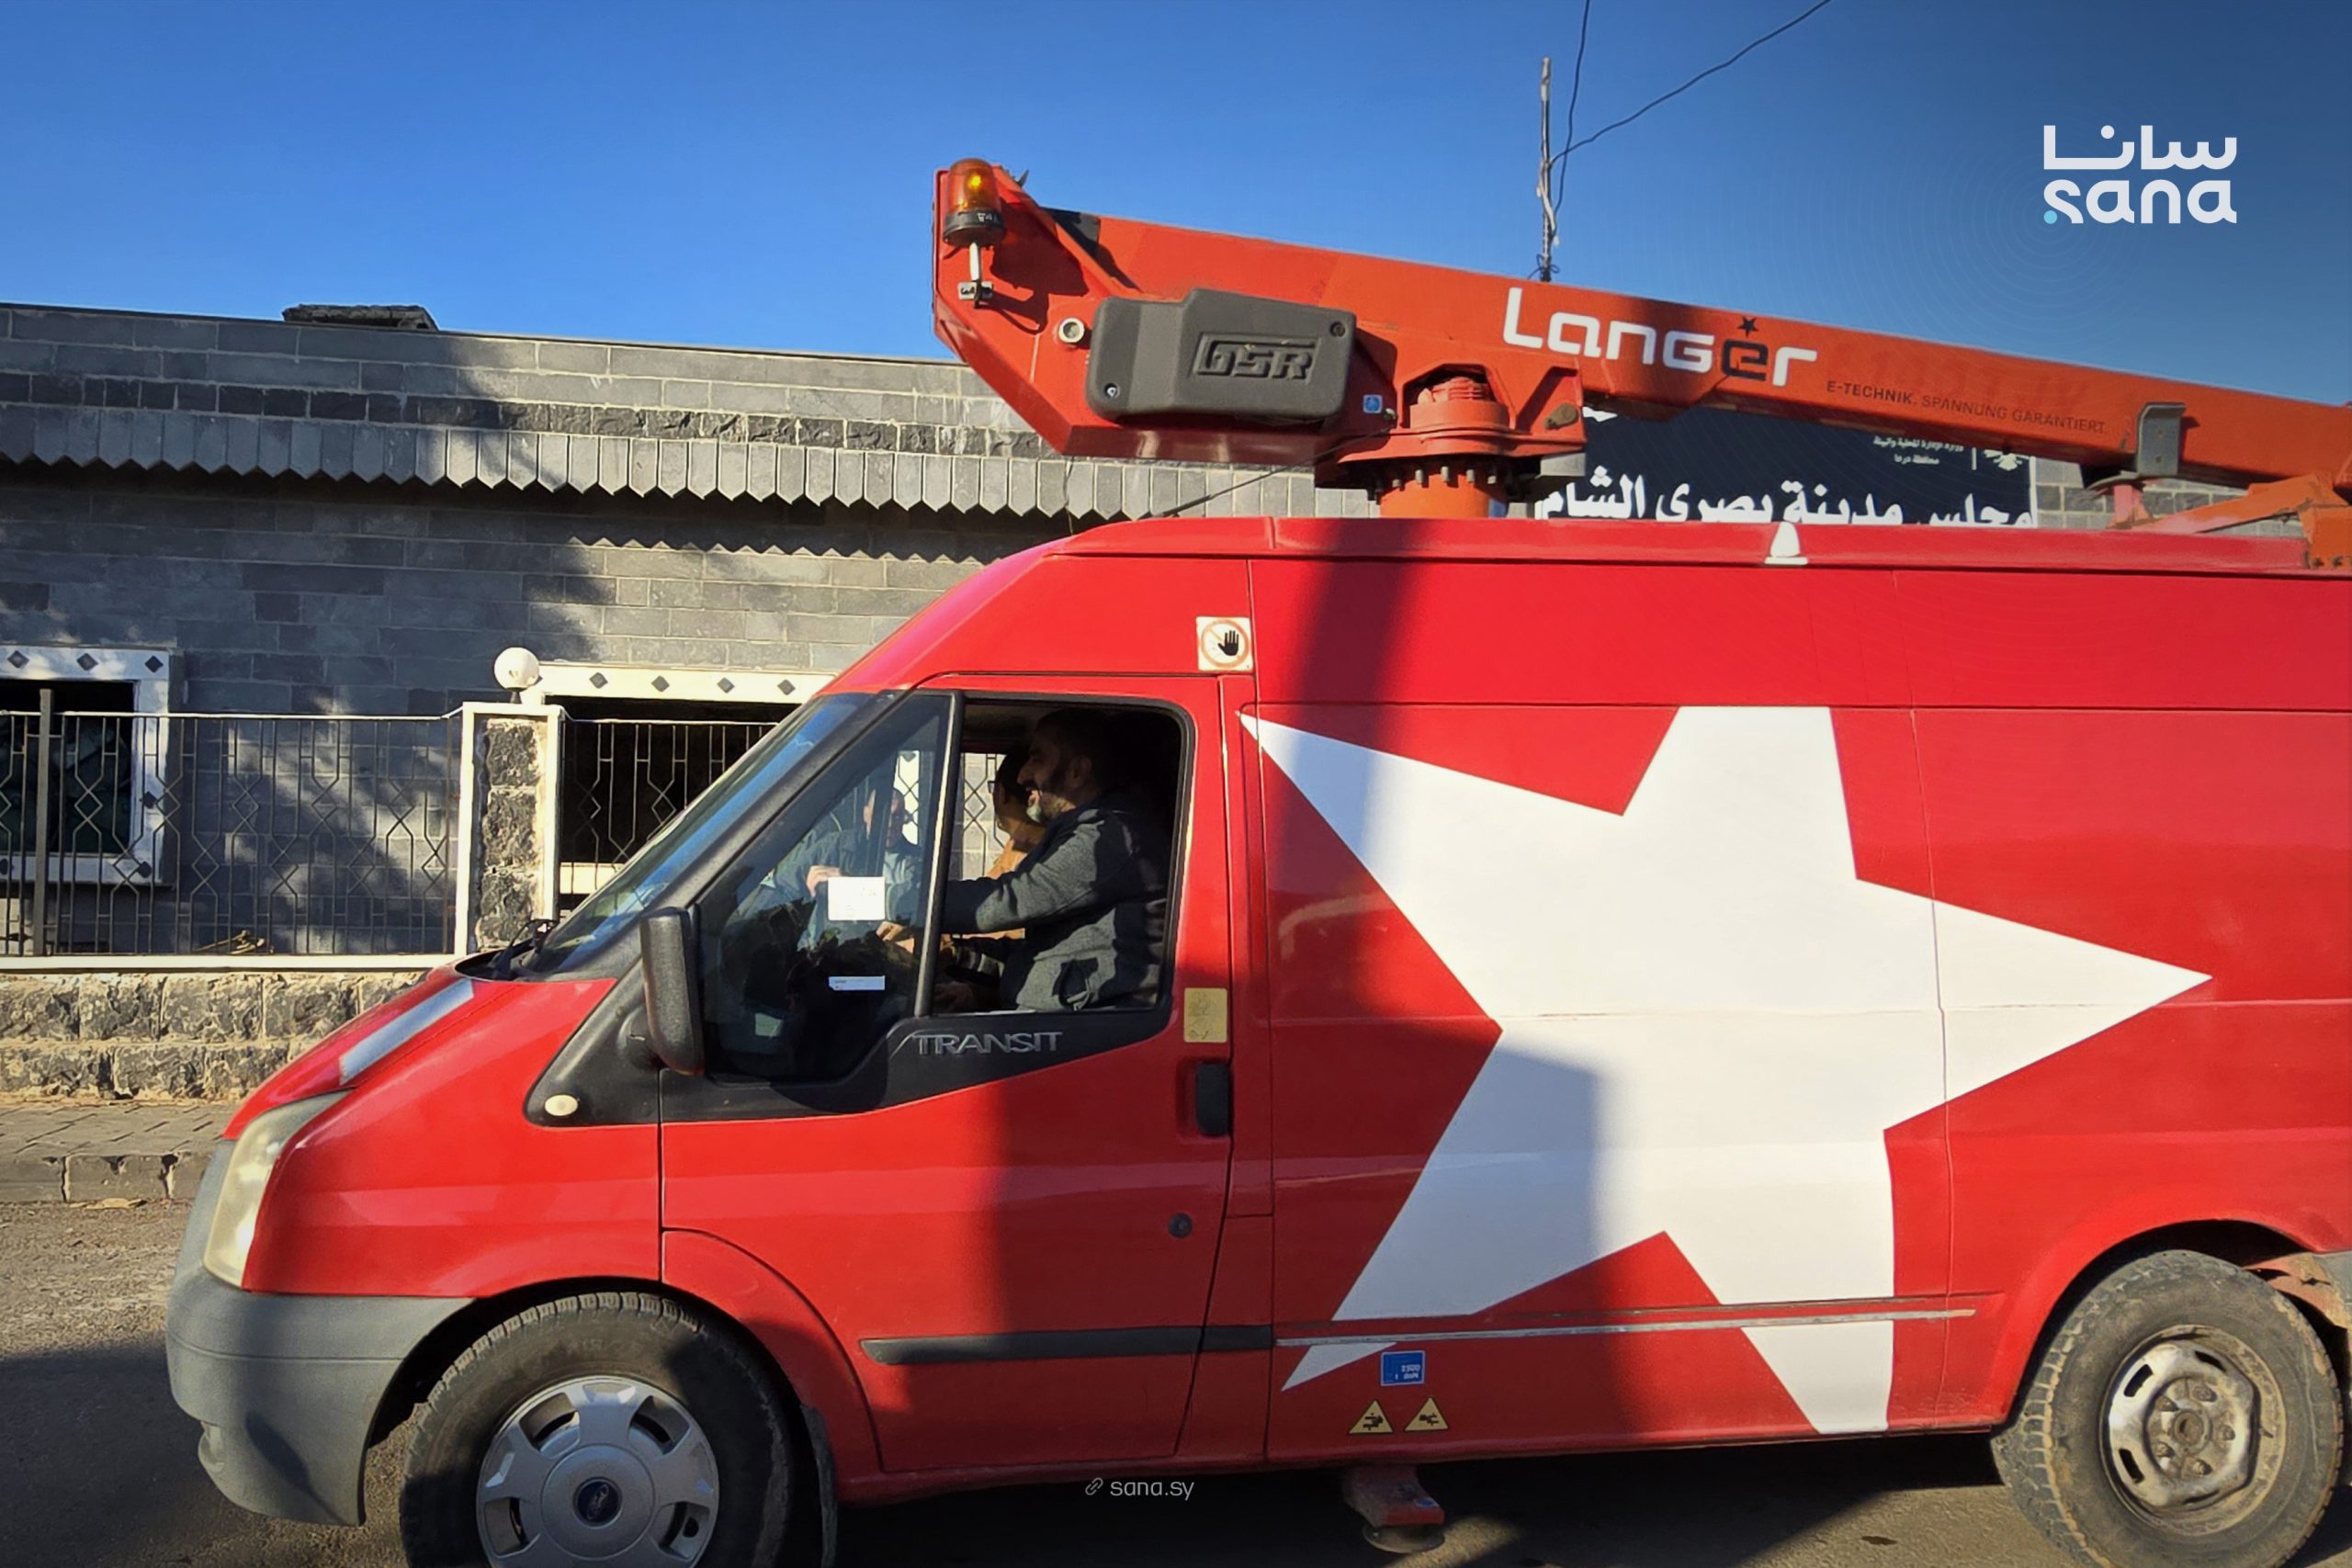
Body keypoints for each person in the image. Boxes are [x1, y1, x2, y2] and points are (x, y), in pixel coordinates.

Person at [933, 709, 1167, 1012]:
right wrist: (960, 956)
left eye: (1037, 759)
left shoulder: (1109, 837)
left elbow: (1012, 900)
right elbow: (1045, 953)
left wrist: (910, 901)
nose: (1022, 776)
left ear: (1077, 772)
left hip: (1094, 1030)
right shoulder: (1086, 831)